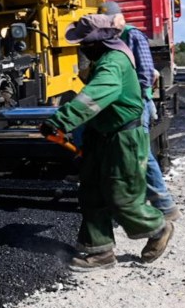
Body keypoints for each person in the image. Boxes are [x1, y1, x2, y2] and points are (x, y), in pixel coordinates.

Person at [40, 14, 174, 270]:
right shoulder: (102, 59)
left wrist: (62, 120)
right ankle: (99, 252)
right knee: (91, 192)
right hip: (101, 135)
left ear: (99, 42)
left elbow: (96, 95)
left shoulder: (113, 63)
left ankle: (159, 227)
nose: (82, 48)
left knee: (121, 196)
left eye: (85, 44)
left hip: (123, 138)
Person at [98, 1, 179, 220]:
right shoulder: (109, 38)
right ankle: (132, 200)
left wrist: (142, 100)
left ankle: (164, 205)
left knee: (140, 152)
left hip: (135, 103)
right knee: (131, 152)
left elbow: (144, 72)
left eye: (111, 20)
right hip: (119, 104)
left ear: (120, 18)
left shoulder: (133, 36)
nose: (109, 25)